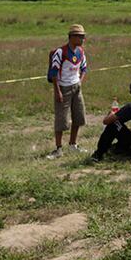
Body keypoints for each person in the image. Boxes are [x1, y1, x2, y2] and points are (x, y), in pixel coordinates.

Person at [47, 24, 89, 159]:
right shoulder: (61, 52)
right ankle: (58, 148)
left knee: (78, 115)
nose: (83, 39)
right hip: (63, 88)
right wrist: (57, 91)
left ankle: (73, 144)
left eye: (83, 36)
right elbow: (53, 73)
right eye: (80, 36)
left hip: (76, 87)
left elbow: (84, 68)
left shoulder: (81, 51)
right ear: (72, 37)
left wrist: (80, 82)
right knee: (61, 119)